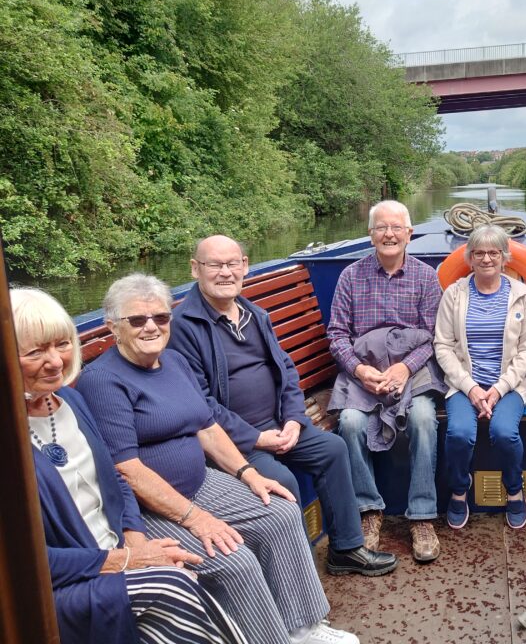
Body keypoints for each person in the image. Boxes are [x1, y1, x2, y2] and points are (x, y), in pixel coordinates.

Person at [76, 274, 358, 644]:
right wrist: (197, 519)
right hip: (154, 509)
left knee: (281, 512)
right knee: (233, 559)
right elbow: (127, 471)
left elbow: (206, 427)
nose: (151, 327)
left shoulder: (173, 361)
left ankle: (303, 628)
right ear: (112, 326)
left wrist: (247, 472)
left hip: (203, 482)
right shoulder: (103, 380)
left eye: (160, 318)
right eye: (137, 320)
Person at [11, 286, 246, 644]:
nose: (56, 361)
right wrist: (123, 560)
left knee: (191, 568)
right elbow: (23, 563)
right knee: (177, 583)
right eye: (35, 351)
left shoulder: (70, 401)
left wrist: (136, 540)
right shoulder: (10, 441)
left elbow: (117, 480)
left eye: (61, 344)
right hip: (66, 582)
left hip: (117, 548)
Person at [168, 234, 396, 577]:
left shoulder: (253, 314)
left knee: (333, 449)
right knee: (281, 480)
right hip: (236, 442)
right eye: (215, 265)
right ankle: (298, 576)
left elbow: (286, 370)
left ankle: (346, 549)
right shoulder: (185, 327)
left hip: (279, 425)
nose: (225, 273)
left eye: (232, 264)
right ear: (195, 269)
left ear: (245, 265)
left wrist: (293, 420)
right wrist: (257, 438)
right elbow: (200, 404)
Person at [327, 200, 444, 563]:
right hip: (364, 370)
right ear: (370, 234)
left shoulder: (426, 276)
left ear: (410, 234)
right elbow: (337, 334)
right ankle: (368, 510)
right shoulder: (351, 276)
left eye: (397, 228)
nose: (389, 234)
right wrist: (360, 371)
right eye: (382, 227)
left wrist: (405, 368)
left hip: (413, 370)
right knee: (349, 422)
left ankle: (422, 516)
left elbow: (433, 335)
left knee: (424, 418)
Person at [434, 225, 526, 530]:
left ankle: (514, 489)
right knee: (458, 434)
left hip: (507, 385)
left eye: (493, 252)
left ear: (505, 257)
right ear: (469, 258)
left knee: (505, 432)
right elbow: (442, 345)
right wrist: (470, 388)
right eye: (479, 253)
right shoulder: (454, 295)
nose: (486, 259)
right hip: (463, 383)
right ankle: (458, 489)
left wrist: (498, 388)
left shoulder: (522, 296)